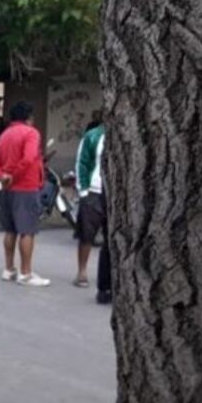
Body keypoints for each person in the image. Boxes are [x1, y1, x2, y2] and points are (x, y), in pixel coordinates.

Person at [0, 101, 51, 287]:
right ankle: (26, 273)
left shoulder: (3, 136)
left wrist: (2, 176)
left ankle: (9, 269)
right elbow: (29, 157)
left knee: (10, 230)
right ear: (29, 117)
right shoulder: (31, 133)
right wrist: (13, 175)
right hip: (25, 186)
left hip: (7, 188)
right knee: (27, 231)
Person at [73, 113, 110, 300]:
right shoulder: (93, 136)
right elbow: (82, 161)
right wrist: (83, 191)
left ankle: (108, 282)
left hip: (114, 194)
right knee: (87, 234)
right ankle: (82, 271)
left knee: (111, 240)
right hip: (94, 191)